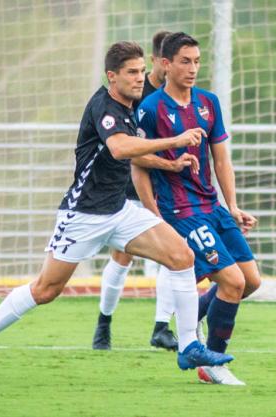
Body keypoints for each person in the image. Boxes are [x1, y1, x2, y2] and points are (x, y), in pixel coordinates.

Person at [0, 41, 234, 382]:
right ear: (112, 76)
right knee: (46, 290)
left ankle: (189, 344)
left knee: (181, 255)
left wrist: (170, 163)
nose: (139, 78)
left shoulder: (133, 102)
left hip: (119, 211)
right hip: (84, 215)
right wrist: (174, 141)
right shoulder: (105, 106)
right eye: (131, 73)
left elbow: (135, 154)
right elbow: (120, 148)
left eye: (140, 72)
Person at [132, 32, 262, 386]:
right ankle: (211, 363)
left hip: (212, 205)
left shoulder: (208, 102)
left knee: (250, 282)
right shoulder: (150, 108)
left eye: (197, 61)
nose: (193, 69)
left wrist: (232, 206)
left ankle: (189, 319)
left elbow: (221, 160)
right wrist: (153, 214)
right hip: (181, 211)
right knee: (232, 282)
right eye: (185, 61)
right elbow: (137, 163)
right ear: (165, 64)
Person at [92, 31, 187, 352]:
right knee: (122, 259)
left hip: (166, 188)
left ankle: (162, 326)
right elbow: (129, 150)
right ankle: (104, 323)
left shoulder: (179, 94)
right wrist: (170, 161)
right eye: (175, 62)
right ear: (161, 61)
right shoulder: (134, 93)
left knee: (174, 253)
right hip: (129, 186)